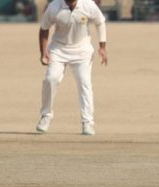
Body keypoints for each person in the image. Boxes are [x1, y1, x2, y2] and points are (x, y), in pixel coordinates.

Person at [36, 0, 107, 135]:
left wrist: (102, 47)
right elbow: (44, 28)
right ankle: (46, 116)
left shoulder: (88, 5)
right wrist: (43, 52)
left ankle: (88, 122)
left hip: (82, 51)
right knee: (51, 79)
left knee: (84, 83)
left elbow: (100, 21)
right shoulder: (54, 7)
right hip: (58, 49)